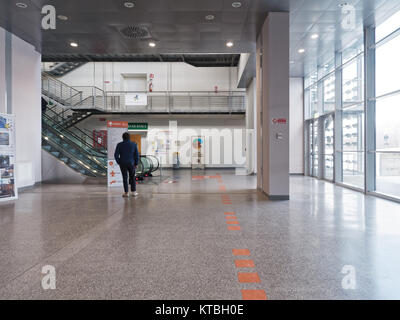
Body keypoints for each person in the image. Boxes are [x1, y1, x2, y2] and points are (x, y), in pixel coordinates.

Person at [114, 132, 140, 198]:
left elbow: (116, 155)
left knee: (125, 177)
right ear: (129, 137)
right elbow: (136, 155)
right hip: (131, 163)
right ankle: (133, 192)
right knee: (132, 177)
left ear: (122, 137)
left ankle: (126, 192)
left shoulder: (119, 145)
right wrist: (136, 163)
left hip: (123, 163)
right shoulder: (134, 144)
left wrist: (119, 162)